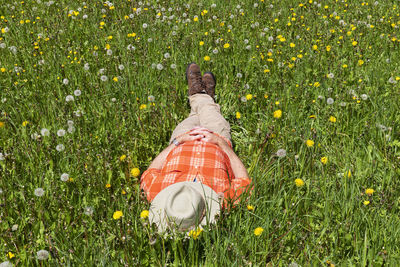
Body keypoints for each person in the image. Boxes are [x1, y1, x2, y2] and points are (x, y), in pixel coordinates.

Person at [140, 63, 252, 232]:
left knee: (195, 114)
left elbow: (151, 170)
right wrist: (221, 143)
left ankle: (199, 95)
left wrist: (179, 141)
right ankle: (202, 95)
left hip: (184, 137)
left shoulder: (157, 192)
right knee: (209, 111)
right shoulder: (223, 200)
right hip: (216, 136)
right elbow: (244, 182)